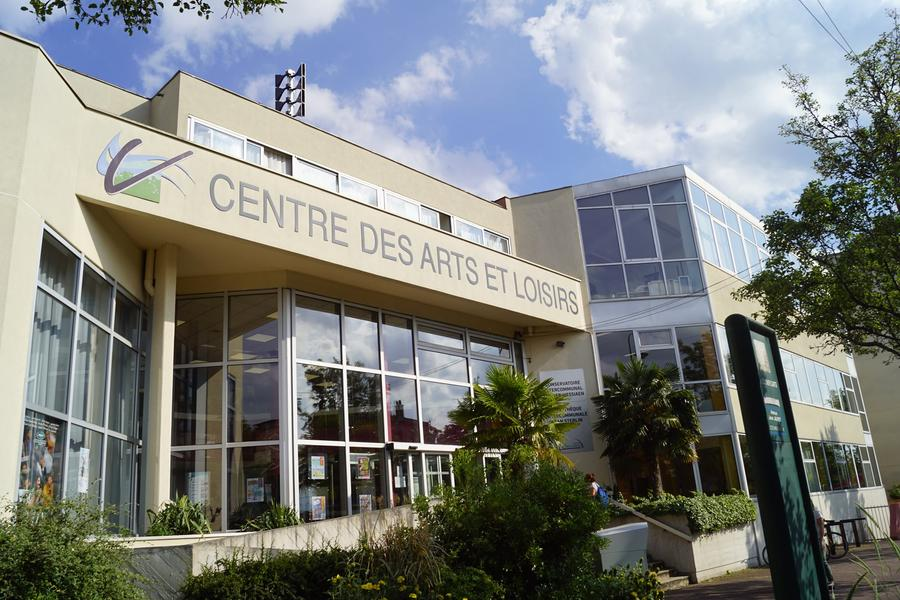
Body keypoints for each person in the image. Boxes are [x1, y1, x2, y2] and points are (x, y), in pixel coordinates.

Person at [814, 506, 835, 599]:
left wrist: (821, 538)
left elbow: (821, 524)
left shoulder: (816, 512)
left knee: (823, 561)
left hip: (818, 539)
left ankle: (831, 580)